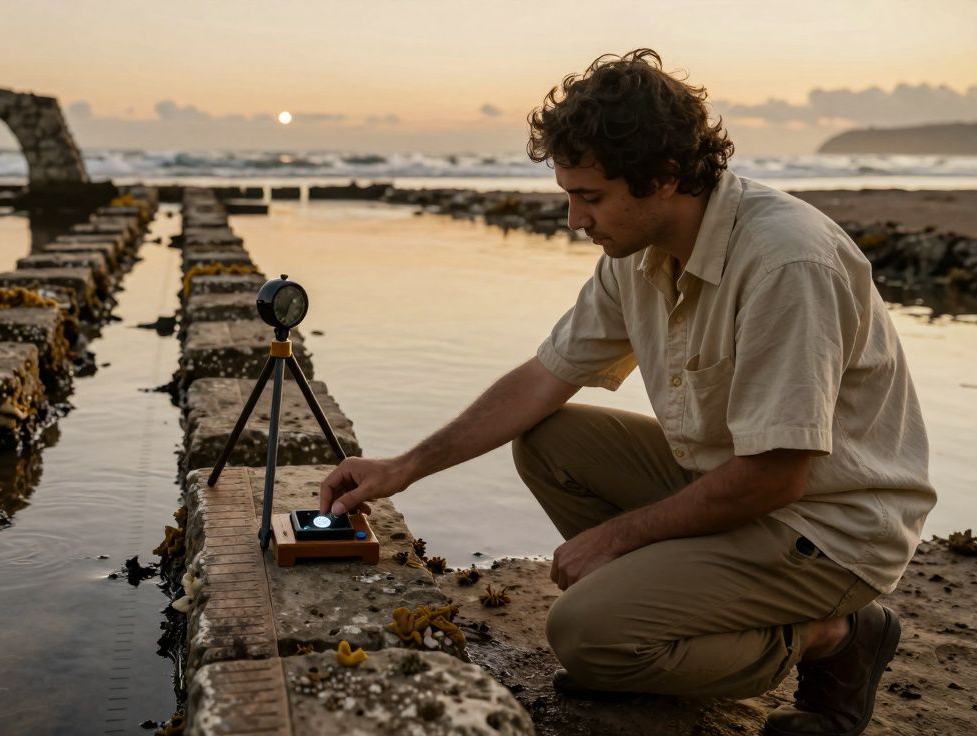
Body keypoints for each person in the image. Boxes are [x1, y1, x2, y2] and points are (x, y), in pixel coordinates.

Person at [318, 49, 934, 736]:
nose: (574, 219)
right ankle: (658, 622)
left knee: (584, 633)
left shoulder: (786, 261)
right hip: (734, 486)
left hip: (827, 526)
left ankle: (835, 638)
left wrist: (613, 538)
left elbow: (776, 476)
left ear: (663, 177)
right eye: (568, 195)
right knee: (551, 440)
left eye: (590, 197)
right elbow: (542, 379)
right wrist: (403, 467)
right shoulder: (639, 254)